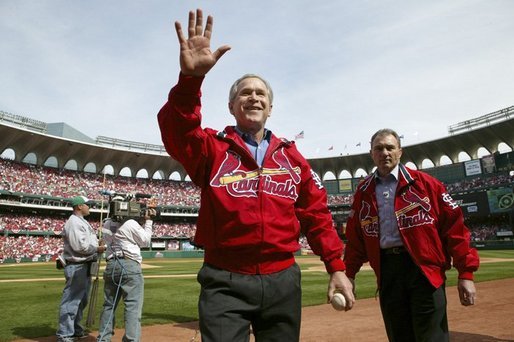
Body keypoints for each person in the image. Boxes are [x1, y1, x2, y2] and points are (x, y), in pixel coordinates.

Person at [157, 9, 355, 342]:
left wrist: (335, 265)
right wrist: (190, 81)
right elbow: (177, 130)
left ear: (270, 108)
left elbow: (317, 214)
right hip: (225, 281)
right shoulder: (211, 149)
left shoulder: (293, 158)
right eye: (245, 93)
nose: (253, 96)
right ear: (232, 106)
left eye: (260, 93)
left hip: (282, 280)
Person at [344, 128, 480, 341]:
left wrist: (466, 274)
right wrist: (348, 274)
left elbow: (455, 230)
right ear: (371, 154)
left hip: (424, 271)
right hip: (388, 272)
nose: (385, 153)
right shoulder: (363, 192)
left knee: (432, 337)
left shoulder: (427, 184)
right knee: (399, 336)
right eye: (378, 148)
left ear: (400, 152)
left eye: (390, 147)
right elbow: (355, 240)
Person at [97, 198, 156, 342]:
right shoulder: (130, 223)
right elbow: (145, 241)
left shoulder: (107, 223)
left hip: (111, 264)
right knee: (132, 307)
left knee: (108, 306)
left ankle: (103, 339)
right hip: (129, 264)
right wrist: (148, 222)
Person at [56, 196, 106, 342]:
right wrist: (97, 248)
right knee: (71, 301)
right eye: (87, 204)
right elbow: (80, 247)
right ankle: (65, 334)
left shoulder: (81, 221)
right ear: (79, 206)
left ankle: (76, 330)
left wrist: (97, 242)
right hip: (77, 266)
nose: (89, 207)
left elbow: (85, 243)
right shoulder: (74, 222)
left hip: (85, 266)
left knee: (81, 301)